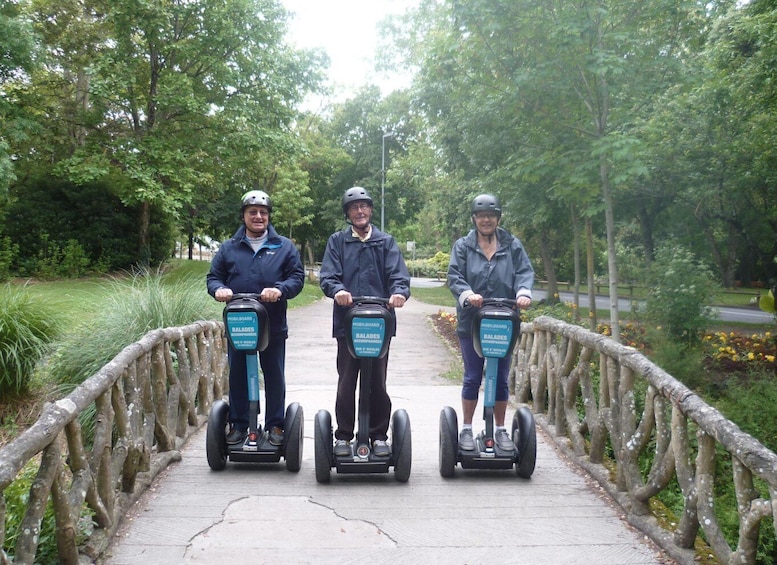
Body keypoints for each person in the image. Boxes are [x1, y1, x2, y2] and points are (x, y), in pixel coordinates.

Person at [206, 190, 304, 446]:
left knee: (274, 375)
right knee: (237, 374)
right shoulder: (229, 247)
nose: (258, 217)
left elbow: (296, 278)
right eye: (253, 212)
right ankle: (239, 425)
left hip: (272, 324)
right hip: (240, 324)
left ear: (269, 216)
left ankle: (276, 427)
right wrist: (219, 289)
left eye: (263, 212)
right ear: (244, 216)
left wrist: (280, 289)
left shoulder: (284, 246)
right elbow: (213, 277)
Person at [319, 186, 411, 458]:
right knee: (347, 381)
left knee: (377, 382)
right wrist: (338, 291)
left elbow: (399, 275)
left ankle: (379, 435)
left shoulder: (385, 242)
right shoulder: (338, 241)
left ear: (370, 210)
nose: (359, 212)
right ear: (347, 213)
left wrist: (398, 293)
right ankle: (344, 436)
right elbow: (328, 276)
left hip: (378, 324)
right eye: (353, 208)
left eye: (364, 207)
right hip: (348, 324)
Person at [447, 193, 534, 452]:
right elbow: (454, 276)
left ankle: (499, 429)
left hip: (504, 321)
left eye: (491, 216)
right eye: (482, 215)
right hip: (472, 321)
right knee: (473, 376)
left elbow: (524, 272)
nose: (486, 220)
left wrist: (523, 292)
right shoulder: (463, 246)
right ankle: (465, 428)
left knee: (502, 379)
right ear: (474, 218)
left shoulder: (512, 244)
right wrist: (468, 295)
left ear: (498, 218)